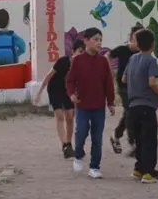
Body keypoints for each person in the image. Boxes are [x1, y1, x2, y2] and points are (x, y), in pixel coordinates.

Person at [65, 27, 116, 179]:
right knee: (81, 132)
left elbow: (108, 83)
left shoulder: (103, 62)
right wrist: (71, 94)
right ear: (86, 41)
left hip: (99, 106)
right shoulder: (77, 61)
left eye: (101, 40)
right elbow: (70, 81)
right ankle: (79, 155)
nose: (99, 43)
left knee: (97, 137)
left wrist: (111, 102)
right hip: (82, 105)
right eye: (95, 39)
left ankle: (94, 167)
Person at [124, 29, 158, 183]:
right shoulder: (151, 60)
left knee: (140, 140)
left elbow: (124, 79)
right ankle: (149, 173)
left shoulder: (132, 58)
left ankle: (138, 169)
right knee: (149, 140)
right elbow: (152, 82)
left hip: (132, 106)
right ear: (153, 44)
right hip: (147, 106)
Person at [33, 39, 86, 158]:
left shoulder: (82, 66)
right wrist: (39, 93)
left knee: (70, 116)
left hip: (68, 91)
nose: (81, 55)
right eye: (79, 51)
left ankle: (69, 143)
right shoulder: (62, 61)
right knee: (60, 116)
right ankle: (64, 146)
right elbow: (48, 76)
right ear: (73, 51)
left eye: (83, 52)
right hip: (54, 89)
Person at [109, 25, 143, 155]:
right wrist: (109, 70)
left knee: (129, 114)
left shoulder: (142, 53)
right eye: (136, 38)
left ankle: (116, 137)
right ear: (130, 38)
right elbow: (108, 55)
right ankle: (133, 143)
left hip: (137, 88)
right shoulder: (123, 50)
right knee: (130, 111)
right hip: (123, 88)